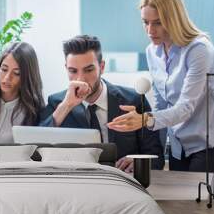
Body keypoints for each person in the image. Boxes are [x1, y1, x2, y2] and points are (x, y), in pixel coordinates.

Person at [107, 0, 214, 191]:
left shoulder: (199, 50)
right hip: (179, 144)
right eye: (145, 22)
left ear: (173, 18)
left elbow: (186, 108)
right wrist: (144, 152)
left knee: (196, 206)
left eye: (158, 23)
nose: (150, 30)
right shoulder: (152, 51)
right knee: (178, 201)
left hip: (207, 142)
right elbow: (161, 104)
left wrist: (145, 120)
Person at [39, 35, 164, 171]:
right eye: (73, 71)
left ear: (102, 67)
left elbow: (157, 158)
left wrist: (140, 163)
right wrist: (66, 105)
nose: (81, 78)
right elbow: (36, 149)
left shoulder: (134, 100)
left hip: (122, 183)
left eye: (89, 70)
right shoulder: (57, 103)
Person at [0, 42, 45, 144]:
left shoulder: (35, 113)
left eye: (16, 73)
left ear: (26, 77)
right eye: (4, 69)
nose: (7, 78)